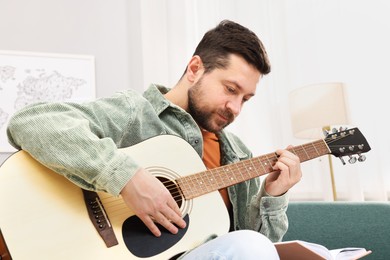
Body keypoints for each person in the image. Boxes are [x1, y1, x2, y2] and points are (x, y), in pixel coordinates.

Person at [7, 20, 302, 259]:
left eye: (245, 99)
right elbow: (32, 122)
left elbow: (255, 249)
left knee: (251, 246)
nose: (235, 108)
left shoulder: (239, 155)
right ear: (195, 68)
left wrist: (273, 197)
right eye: (229, 89)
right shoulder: (136, 113)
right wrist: (128, 179)